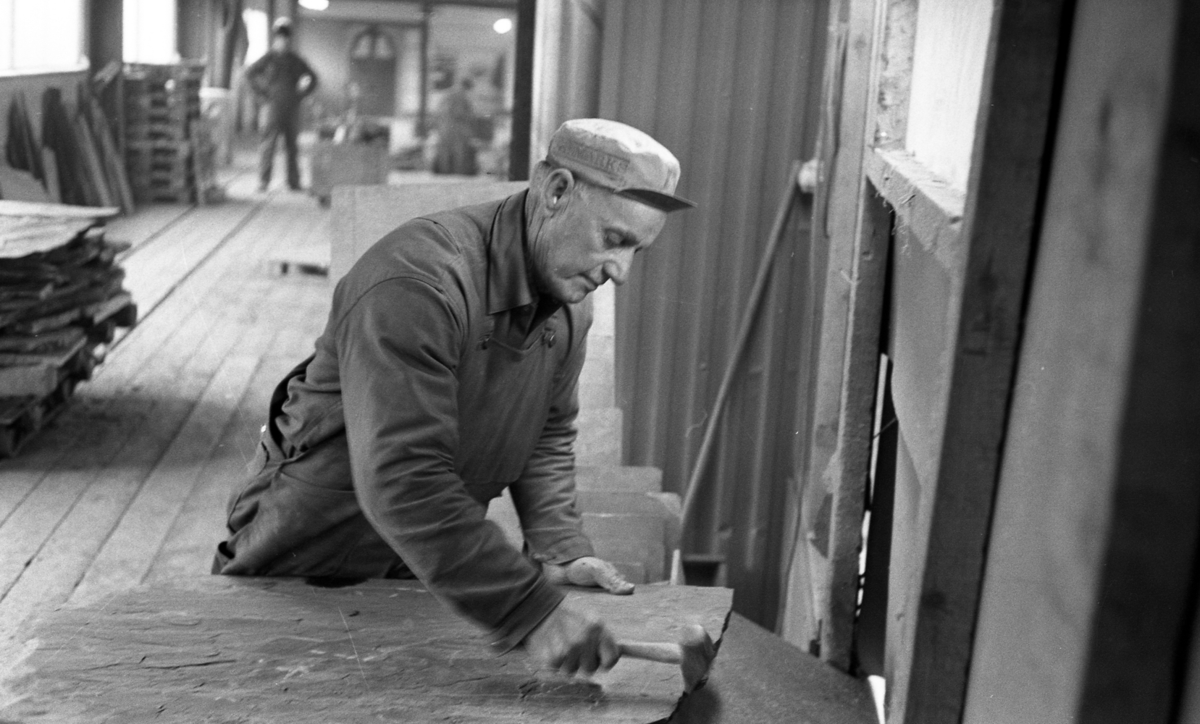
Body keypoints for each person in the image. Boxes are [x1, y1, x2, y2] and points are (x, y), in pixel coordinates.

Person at [213, 118, 695, 678]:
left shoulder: (568, 307)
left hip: (417, 574)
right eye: (613, 239)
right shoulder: (417, 282)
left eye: (637, 249)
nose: (622, 272)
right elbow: (402, 478)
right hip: (299, 569)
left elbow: (546, 433)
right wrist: (527, 611)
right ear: (556, 191)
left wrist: (559, 547)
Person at [245, 17, 319, 191]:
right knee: (268, 145)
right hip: (271, 108)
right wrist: (261, 95)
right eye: (280, 37)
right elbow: (249, 74)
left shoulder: (295, 60)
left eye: (285, 37)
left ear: (289, 39)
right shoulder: (267, 59)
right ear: (275, 38)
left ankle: (293, 181)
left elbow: (313, 78)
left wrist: (302, 94)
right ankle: (264, 181)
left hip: (292, 108)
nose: (283, 40)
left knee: (292, 146)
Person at [431, 77, 480, 175]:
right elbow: (460, 113)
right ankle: (458, 171)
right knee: (459, 150)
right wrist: (470, 118)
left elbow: (439, 111)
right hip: (457, 127)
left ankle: (444, 171)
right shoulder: (461, 96)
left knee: (444, 150)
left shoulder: (447, 94)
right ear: (467, 87)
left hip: (444, 127)